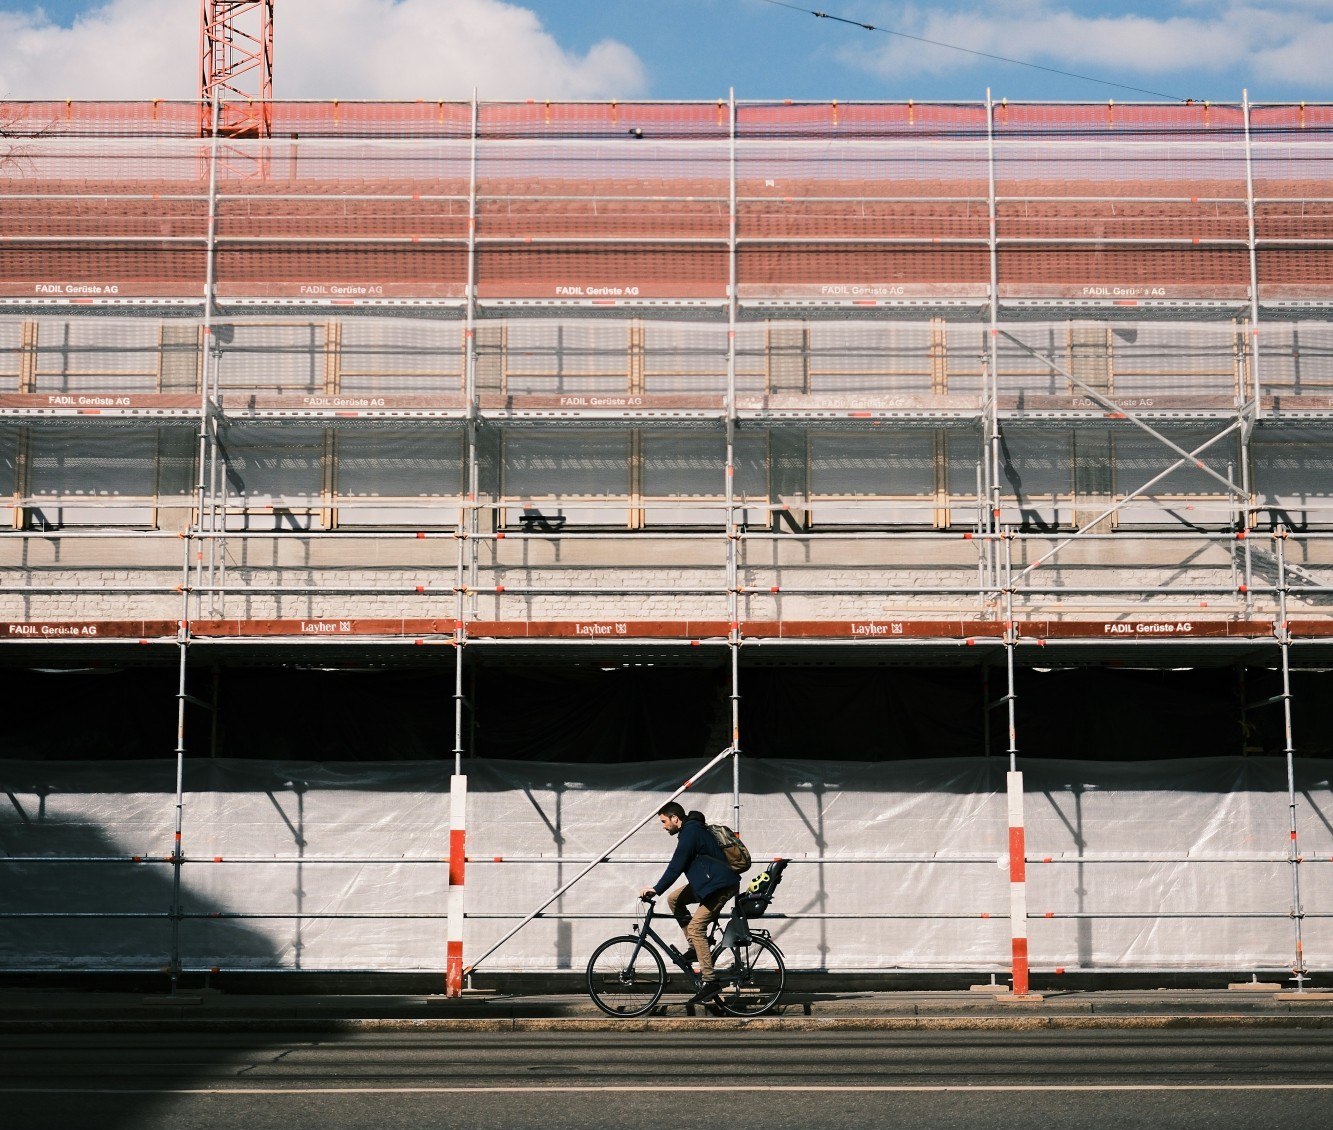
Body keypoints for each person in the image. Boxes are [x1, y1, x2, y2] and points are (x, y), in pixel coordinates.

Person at [639, 801, 740, 1003]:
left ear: (675, 819)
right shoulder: (690, 831)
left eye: (664, 821)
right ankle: (695, 948)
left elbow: (676, 866)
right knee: (674, 899)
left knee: (696, 927)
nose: (663, 826)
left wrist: (655, 889)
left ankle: (710, 981)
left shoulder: (690, 833)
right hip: (709, 884)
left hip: (720, 886)